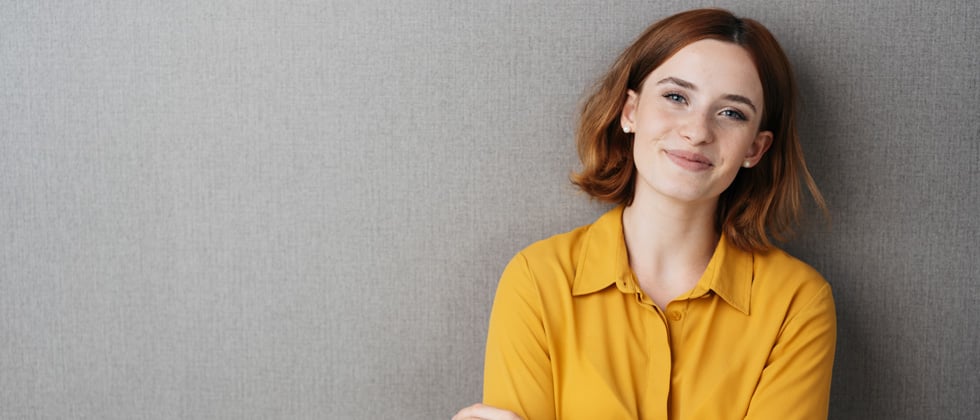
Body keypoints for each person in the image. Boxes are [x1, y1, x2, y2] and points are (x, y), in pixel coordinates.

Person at [454, 8, 836, 420]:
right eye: (676, 97)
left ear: (755, 149)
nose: (697, 131)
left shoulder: (797, 304)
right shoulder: (537, 280)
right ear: (630, 111)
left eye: (731, 113)